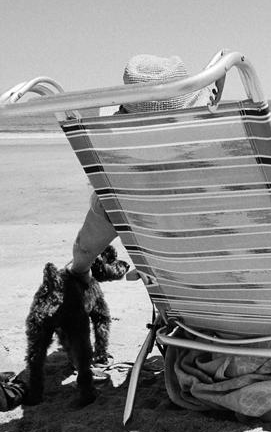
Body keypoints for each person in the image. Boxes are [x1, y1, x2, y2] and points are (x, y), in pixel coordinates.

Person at [68, 54, 222, 282]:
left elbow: (85, 249)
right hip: (220, 272)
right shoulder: (216, 178)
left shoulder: (122, 188)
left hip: (164, 271)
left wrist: (80, 270)